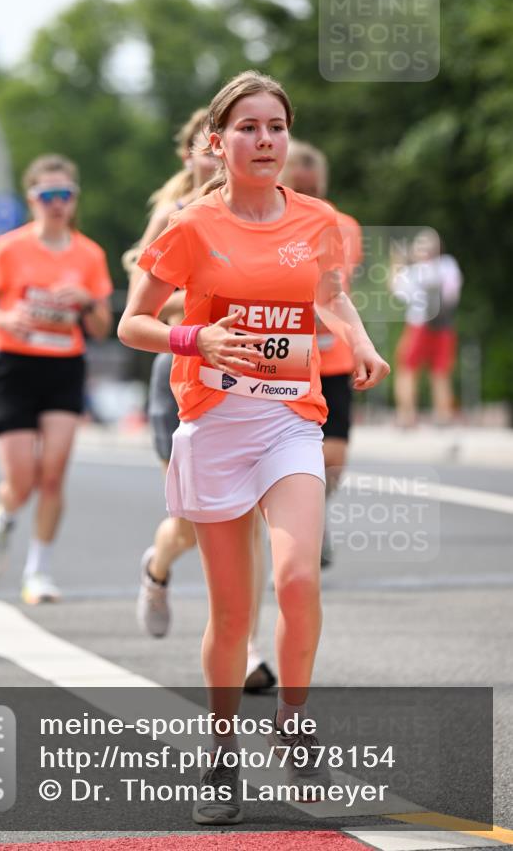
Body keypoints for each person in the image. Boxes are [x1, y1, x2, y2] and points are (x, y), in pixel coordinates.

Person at [118, 71, 389, 825]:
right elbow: (129, 324)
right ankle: (219, 751)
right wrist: (195, 336)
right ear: (217, 141)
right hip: (213, 427)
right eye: (247, 128)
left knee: (299, 579)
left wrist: (358, 342)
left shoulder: (317, 219)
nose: (264, 140)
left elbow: (329, 294)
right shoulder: (190, 226)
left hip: (288, 422)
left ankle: (295, 727)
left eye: (275, 126)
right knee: (231, 616)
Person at [125, 109, 276, 693]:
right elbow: (142, 311)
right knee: (195, 522)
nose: (214, 156)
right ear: (190, 154)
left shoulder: (263, 214)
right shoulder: (177, 217)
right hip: (185, 374)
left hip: (250, 377)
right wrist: (203, 324)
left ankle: (248, 647)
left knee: (252, 518)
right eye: (204, 147)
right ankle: (157, 567)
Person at [0, 155, 113, 604]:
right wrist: (6, 316)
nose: (56, 203)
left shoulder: (89, 254)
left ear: (74, 200)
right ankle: (4, 517)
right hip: (15, 365)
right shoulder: (10, 247)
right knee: (22, 479)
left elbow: (102, 328)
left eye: (64, 195)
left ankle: (39, 571)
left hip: (63, 368)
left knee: (53, 476)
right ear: (32, 199)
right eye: (47, 195)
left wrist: (88, 302)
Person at [281, 142, 363, 567]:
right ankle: (297, 526)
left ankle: (314, 515)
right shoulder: (277, 221)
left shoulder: (345, 225)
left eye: (314, 181)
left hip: (335, 359)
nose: (307, 187)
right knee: (293, 452)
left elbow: (340, 288)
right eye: (299, 179)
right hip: (289, 357)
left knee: (334, 457)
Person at [391, 228, 462, 426]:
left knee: (407, 369)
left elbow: (397, 291)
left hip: (418, 324)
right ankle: (443, 415)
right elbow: (452, 295)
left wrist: (397, 262)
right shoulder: (449, 265)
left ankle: (406, 415)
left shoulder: (412, 272)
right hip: (444, 324)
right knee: (441, 372)